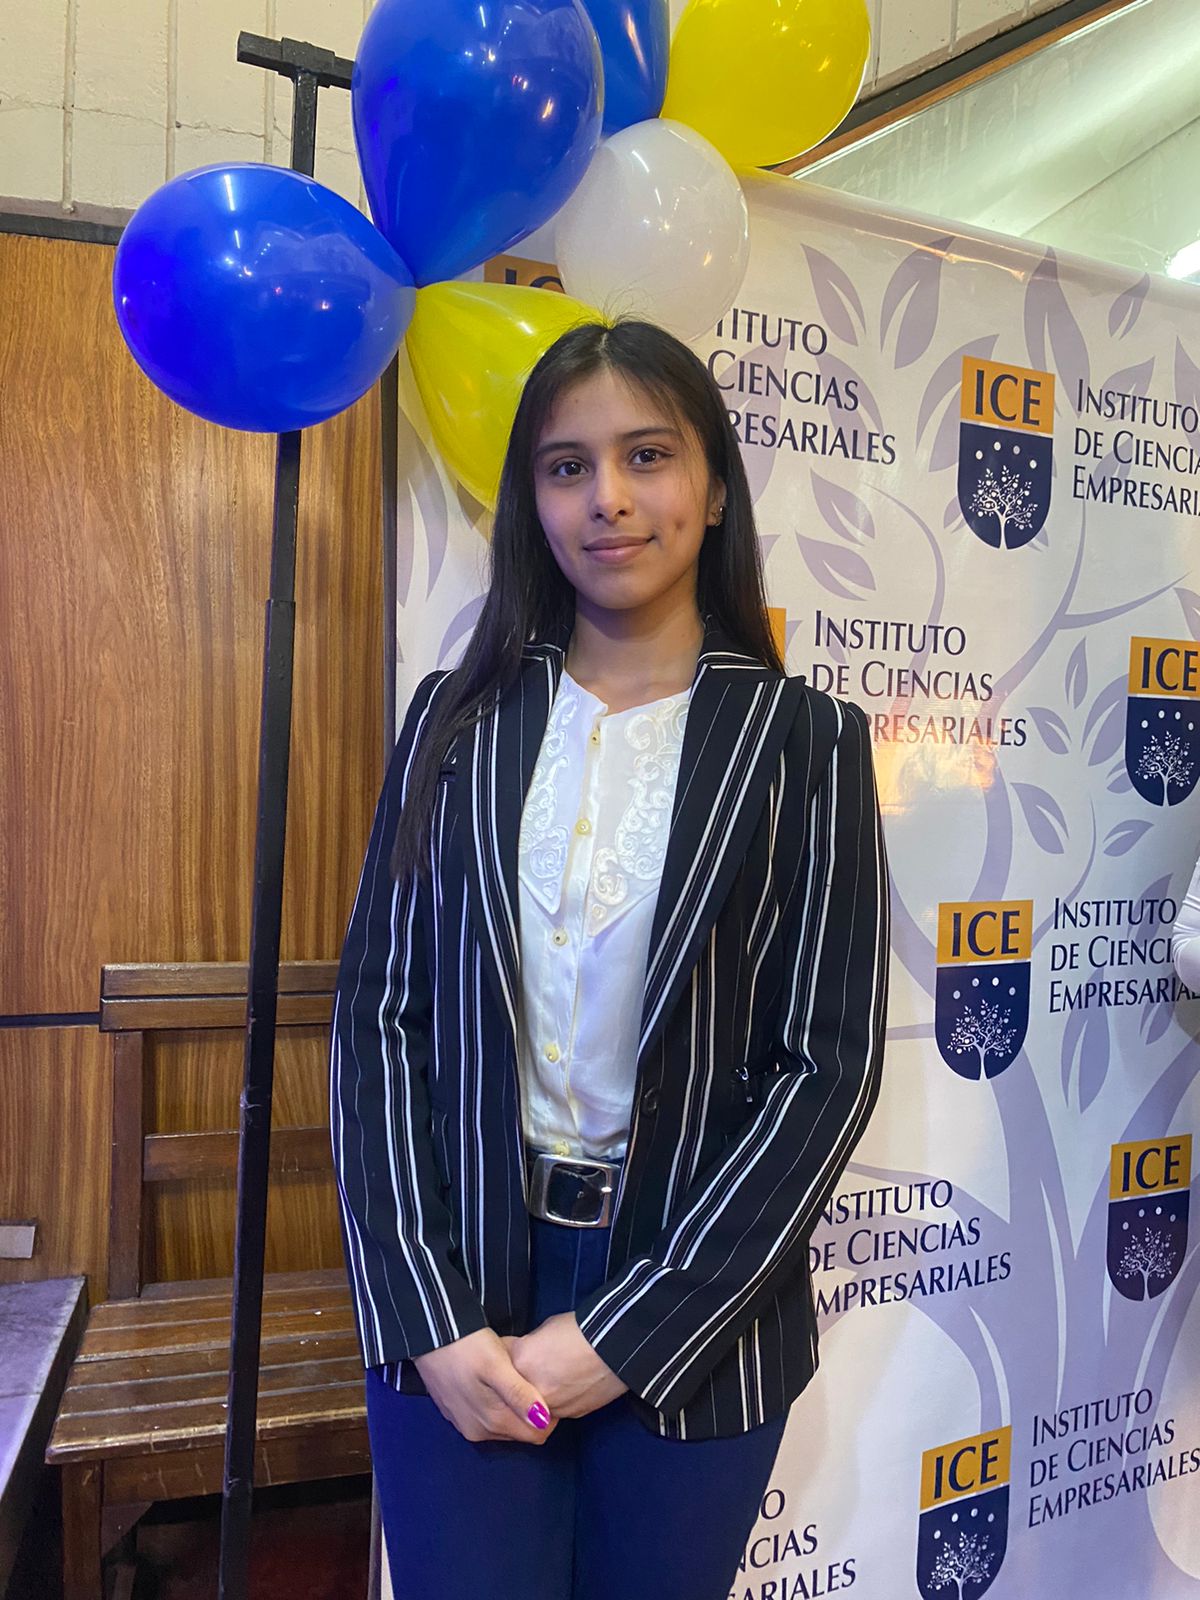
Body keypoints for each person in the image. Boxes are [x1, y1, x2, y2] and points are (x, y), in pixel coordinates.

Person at [329, 318, 889, 1600]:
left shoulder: (807, 743)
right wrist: (427, 1313)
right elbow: (377, 1018)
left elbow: (827, 1068)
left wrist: (626, 1332)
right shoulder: (452, 719)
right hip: (461, 1286)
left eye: (648, 454)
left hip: (699, 1315)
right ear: (533, 501)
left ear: (715, 486)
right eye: (567, 467)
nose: (609, 498)